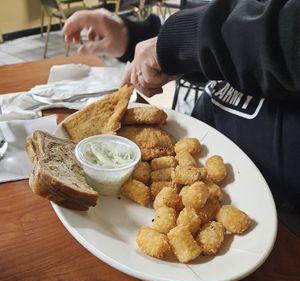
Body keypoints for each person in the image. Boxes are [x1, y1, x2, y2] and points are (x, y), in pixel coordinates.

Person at [63, 1, 300, 233]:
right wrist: (139, 38)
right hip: (205, 159)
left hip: (285, 215)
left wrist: (178, 42)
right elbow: (218, 26)